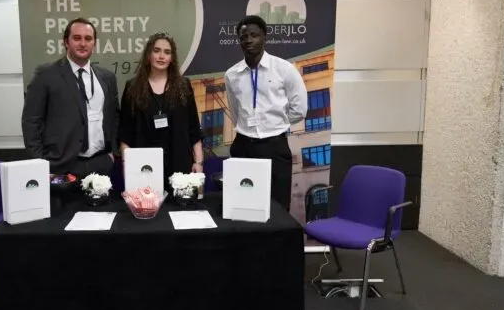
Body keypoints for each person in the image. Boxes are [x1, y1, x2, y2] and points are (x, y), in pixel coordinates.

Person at [224, 15, 307, 211]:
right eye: (244, 37)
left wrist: (276, 123)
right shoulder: (231, 75)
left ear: (264, 37)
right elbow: (235, 111)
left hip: (274, 146)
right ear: (239, 41)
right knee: (243, 205)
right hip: (243, 146)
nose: (249, 40)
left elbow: (300, 109)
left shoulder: (284, 69)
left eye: (254, 35)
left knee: (278, 207)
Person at [22, 17, 120, 179]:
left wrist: (112, 153)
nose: (83, 43)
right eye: (77, 38)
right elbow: (31, 121)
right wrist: (41, 163)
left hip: (101, 164)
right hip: (62, 167)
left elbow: (115, 116)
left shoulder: (107, 77)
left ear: (94, 44)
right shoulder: (46, 75)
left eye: (88, 39)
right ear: (66, 42)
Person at [119, 32, 204, 191]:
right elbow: (125, 133)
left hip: (179, 164)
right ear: (148, 55)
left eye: (167, 52)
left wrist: (198, 162)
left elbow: (194, 127)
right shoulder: (132, 88)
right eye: (156, 50)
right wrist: (127, 164)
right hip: (144, 168)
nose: (161, 56)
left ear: (172, 58)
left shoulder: (183, 86)